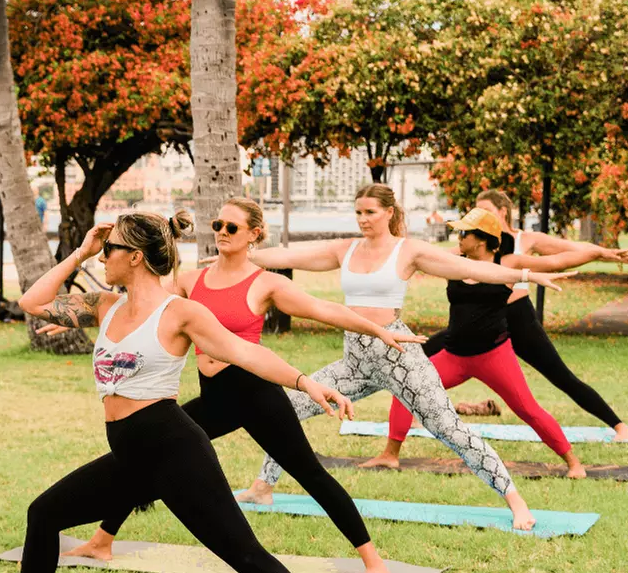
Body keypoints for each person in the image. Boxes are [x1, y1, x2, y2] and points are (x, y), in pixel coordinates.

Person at [0, 210, 360, 573]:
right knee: (44, 514)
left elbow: (246, 353)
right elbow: (32, 301)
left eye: (110, 249)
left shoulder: (179, 313)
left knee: (244, 554)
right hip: (129, 453)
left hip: (174, 450)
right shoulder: (105, 304)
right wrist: (83, 251)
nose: (104, 256)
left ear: (134, 257)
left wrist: (307, 383)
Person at [51, 197, 425, 573]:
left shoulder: (265, 282)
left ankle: (373, 561)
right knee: (143, 459)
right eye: (217, 226)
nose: (222, 234)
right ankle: (102, 540)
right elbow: (140, 304)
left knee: (309, 472)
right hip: (214, 395)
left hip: (255, 394)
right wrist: (78, 316)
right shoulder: (191, 280)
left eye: (231, 227)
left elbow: (323, 309)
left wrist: (380, 330)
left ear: (254, 235)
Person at [237, 184, 573, 531]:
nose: (363, 219)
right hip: (355, 361)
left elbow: (470, 270)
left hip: (400, 358)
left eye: (370, 212)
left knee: (449, 429)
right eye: (358, 212)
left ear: (389, 213)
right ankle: (263, 487)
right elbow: (287, 257)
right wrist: (239, 255)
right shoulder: (346, 250)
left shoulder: (407, 251)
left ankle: (515, 501)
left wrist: (525, 275)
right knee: (287, 409)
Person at [365, 206, 626, 477]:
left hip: (494, 356)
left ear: (481, 239)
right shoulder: (454, 260)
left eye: (463, 233)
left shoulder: (508, 263)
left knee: (528, 409)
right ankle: (390, 455)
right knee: (405, 385)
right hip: (454, 356)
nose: (458, 237)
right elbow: (409, 252)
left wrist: (602, 253)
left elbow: (557, 262)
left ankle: (574, 463)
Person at [425, 190, 628, 439]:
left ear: (502, 212)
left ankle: (618, 425)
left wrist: (608, 253)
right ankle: (403, 409)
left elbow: (567, 254)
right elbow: (426, 256)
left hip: (518, 317)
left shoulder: (525, 240)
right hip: (481, 322)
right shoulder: (469, 245)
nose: (479, 216)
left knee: (560, 375)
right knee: (419, 355)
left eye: (486, 210)